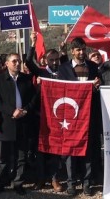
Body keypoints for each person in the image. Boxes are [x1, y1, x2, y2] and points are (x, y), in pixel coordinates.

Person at [0, 53, 38, 196]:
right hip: (5, 124)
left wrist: (26, 110)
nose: (17, 63)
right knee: (2, 158)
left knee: (21, 157)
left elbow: (34, 98)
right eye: (14, 61)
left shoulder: (26, 79)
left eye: (19, 61)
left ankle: (18, 183)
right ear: (7, 64)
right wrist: (12, 111)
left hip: (23, 123)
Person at [58, 37, 100, 196]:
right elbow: (60, 90)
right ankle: (71, 183)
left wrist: (96, 87)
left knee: (88, 150)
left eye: (84, 49)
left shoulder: (94, 67)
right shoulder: (63, 68)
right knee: (70, 150)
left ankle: (87, 182)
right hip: (70, 118)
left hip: (89, 116)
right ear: (72, 51)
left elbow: (97, 91)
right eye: (78, 50)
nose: (82, 52)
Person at [26, 32, 63, 192]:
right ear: (45, 61)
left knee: (55, 150)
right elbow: (28, 61)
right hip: (40, 118)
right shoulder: (41, 72)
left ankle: (54, 179)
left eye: (56, 60)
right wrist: (33, 43)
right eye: (51, 60)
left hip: (57, 118)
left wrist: (64, 50)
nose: (54, 62)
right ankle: (40, 178)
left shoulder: (64, 72)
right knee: (40, 149)